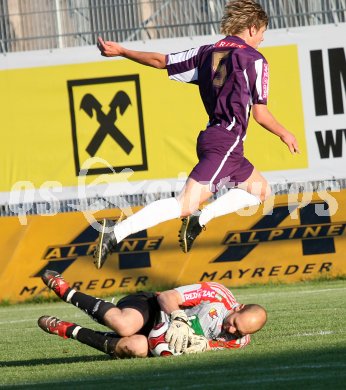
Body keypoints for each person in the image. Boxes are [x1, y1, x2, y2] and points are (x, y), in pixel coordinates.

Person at [93, 0, 300, 269]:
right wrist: (286, 134)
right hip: (227, 141)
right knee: (184, 205)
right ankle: (116, 232)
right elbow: (260, 114)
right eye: (262, 32)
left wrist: (122, 51)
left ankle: (200, 219)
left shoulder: (207, 53)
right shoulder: (254, 59)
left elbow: (160, 61)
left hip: (215, 139)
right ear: (251, 28)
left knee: (260, 190)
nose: (262, 39)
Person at [38, 270, 267, 358]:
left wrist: (203, 347)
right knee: (125, 326)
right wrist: (178, 318)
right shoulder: (217, 294)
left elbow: (208, 347)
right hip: (152, 306)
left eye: (239, 332)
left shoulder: (238, 341)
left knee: (135, 348)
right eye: (234, 323)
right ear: (238, 307)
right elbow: (167, 296)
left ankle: (70, 330)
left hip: (161, 337)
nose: (232, 331)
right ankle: (67, 292)